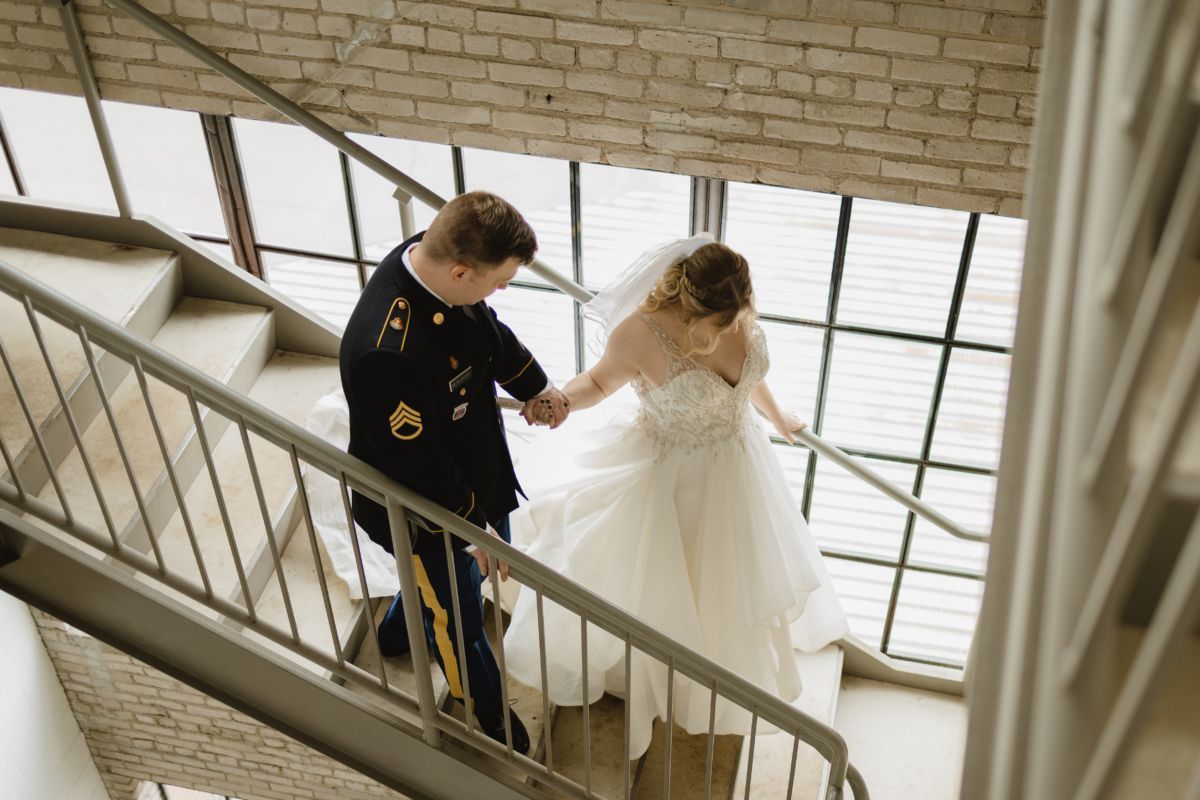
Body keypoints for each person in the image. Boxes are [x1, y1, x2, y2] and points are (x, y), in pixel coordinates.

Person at [503, 235, 848, 758]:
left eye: (741, 315)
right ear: (692, 308)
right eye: (725, 320)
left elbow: (747, 380)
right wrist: (558, 403)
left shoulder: (737, 312)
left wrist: (778, 417)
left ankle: (714, 677)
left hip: (738, 470)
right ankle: (653, 678)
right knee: (663, 589)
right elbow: (597, 383)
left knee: (729, 587)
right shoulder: (641, 334)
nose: (737, 327)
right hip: (670, 484)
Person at [339, 191, 568, 754]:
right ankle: (486, 712)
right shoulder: (385, 351)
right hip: (427, 514)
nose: (501, 290)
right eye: (498, 280)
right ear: (462, 271)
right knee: (459, 620)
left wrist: (534, 386)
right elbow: (418, 466)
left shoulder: (430, 262)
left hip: (478, 476)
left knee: (455, 591)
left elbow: (487, 333)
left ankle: (395, 630)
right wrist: (474, 533)